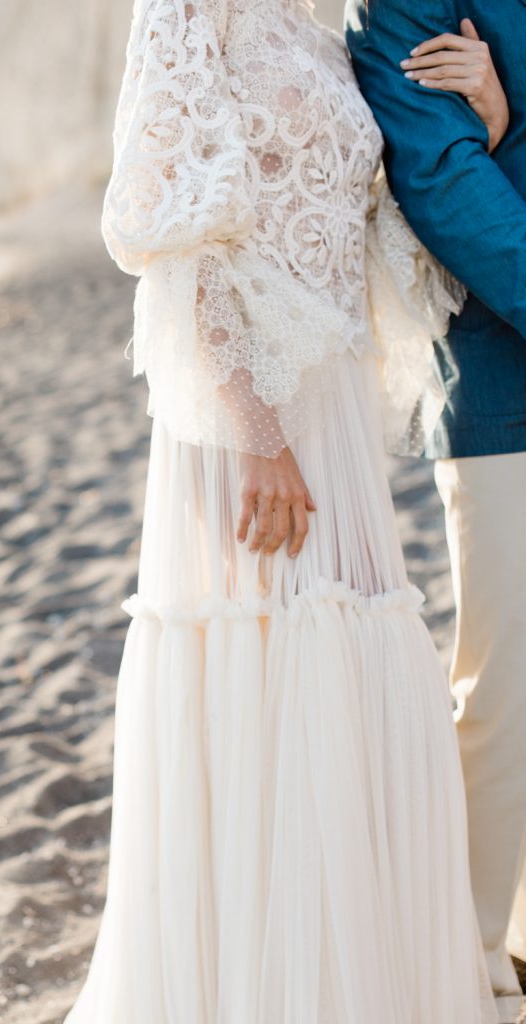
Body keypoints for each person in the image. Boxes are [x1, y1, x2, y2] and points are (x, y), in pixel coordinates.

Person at [63, 1, 502, 1020]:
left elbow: (370, 221)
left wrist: (483, 119)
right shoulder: (187, 9)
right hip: (241, 405)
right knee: (264, 676)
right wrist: (256, 433)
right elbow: (173, 230)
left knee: (344, 674)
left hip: (330, 394)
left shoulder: (316, 24)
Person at [346, 5, 526, 1021]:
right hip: (506, 389)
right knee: (507, 686)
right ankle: (473, 963)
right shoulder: (397, 6)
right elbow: (443, 177)